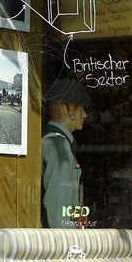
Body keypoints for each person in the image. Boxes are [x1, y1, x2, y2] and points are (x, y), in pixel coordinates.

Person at [40, 78, 91, 228]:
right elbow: (60, 217)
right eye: (81, 109)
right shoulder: (58, 146)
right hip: (62, 245)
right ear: (69, 109)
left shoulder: (54, 142)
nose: (85, 115)